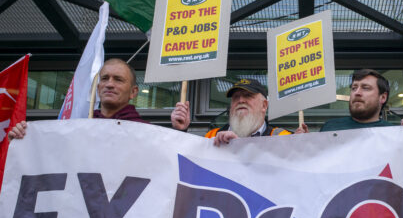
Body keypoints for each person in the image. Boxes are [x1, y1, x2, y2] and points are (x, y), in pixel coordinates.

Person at [8, 58, 145, 140]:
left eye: (118, 80)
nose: (109, 84)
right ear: (97, 89)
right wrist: (22, 141)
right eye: (104, 78)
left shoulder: (146, 134)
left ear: (133, 92)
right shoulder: (78, 128)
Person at [171, 78, 294, 146]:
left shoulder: (282, 137)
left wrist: (303, 145)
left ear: (264, 105)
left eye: (248, 96)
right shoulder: (212, 136)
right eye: (236, 97)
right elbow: (187, 167)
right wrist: (180, 131)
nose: (241, 100)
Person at [320, 69, 396, 131]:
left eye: (365, 88)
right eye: (354, 88)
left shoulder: (393, 133)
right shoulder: (330, 128)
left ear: (383, 97)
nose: (357, 93)